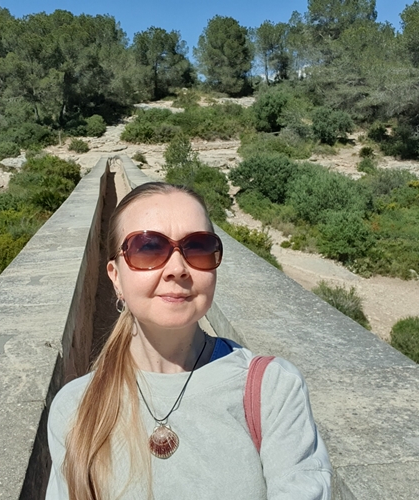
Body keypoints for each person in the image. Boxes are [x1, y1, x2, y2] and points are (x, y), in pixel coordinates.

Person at [46, 182, 332, 500]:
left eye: (197, 247)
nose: (177, 269)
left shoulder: (273, 389)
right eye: (148, 248)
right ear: (115, 276)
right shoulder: (75, 407)